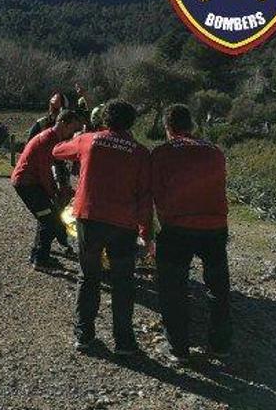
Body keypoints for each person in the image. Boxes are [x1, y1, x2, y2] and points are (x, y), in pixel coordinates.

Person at [52, 99, 152, 355]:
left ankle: (84, 335)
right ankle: (124, 342)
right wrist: (146, 232)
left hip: (90, 219)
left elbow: (58, 151)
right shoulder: (140, 152)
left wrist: (77, 137)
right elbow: (144, 196)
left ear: (104, 119)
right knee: (123, 282)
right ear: (131, 122)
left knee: (89, 277)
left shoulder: (89, 140)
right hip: (123, 224)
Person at [151, 104, 231, 364]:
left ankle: (179, 349)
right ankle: (220, 346)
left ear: (168, 128)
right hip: (215, 227)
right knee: (218, 289)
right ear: (192, 126)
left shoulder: (162, 152)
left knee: (173, 288)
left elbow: (152, 191)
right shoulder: (215, 152)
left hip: (177, 229)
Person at [12, 110, 82, 272]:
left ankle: (38, 255)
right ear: (63, 123)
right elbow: (44, 172)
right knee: (49, 221)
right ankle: (40, 259)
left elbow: (51, 170)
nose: (72, 133)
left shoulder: (52, 138)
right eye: (72, 128)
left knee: (46, 218)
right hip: (27, 184)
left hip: (32, 183)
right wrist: (53, 194)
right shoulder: (47, 140)